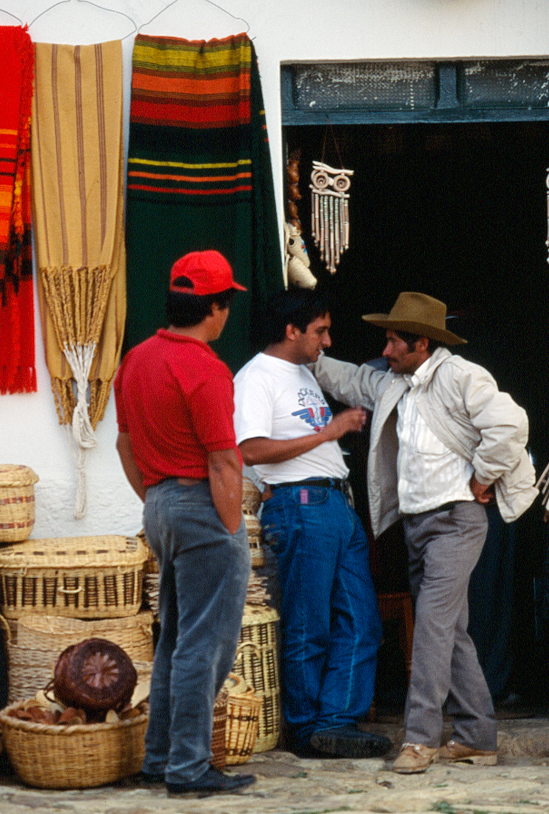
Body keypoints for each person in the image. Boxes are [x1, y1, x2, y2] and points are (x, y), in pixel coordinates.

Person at [311, 292, 537, 774]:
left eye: (394, 341)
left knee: (432, 628)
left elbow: (510, 424)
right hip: (418, 525)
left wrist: (482, 476)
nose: (386, 351)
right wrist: (308, 358)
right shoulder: (396, 383)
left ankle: (420, 739)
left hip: (456, 521)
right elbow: (351, 379)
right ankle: (478, 736)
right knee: (450, 633)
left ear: (423, 343)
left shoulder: (460, 376)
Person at [114, 250, 255, 797]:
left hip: (161, 505)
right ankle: (189, 767)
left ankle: (160, 758)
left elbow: (125, 444)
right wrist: (230, 528)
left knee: (175, 638)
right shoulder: (205, 368)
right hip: (202, 507)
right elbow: (223, 459)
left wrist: (156, 498)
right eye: (226, 305)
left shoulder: (137, 359)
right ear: (215, 309)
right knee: (204, 644)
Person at [232, 289, 390, 759]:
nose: (327, 339)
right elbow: (250, 449)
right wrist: (328, 432)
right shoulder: (256, 377)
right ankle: (304, 730)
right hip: (300, 505)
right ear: (291, 330)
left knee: (362, 620)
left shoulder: (302, 372)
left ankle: (335, 721)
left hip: (334, 504)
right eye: (319, 330)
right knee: (309, 624)